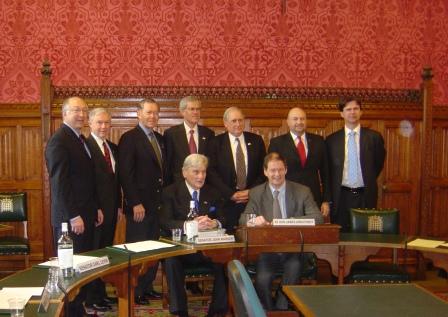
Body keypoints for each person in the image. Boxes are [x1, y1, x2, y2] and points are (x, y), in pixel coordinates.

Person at [240, 152, 323, 311]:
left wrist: (289, 222)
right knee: (263, 280)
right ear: (265, 172)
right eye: (272, 170)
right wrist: (253, 220)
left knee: (293, 271)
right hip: (268, 250)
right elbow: (243, 219)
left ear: (286, 170)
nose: (276, 174)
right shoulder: (257, 192)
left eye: (280, 170)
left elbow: (317, 218)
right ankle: (269, 310)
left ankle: (282, 309)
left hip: (294, 249)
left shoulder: (302, 191)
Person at [45, 96, 103, 315]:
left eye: (84, 111)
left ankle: (79, 309)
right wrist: (73, 216)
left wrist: (96, 206)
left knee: (82, 266)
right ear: (65, 113)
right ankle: (69, 312)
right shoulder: (59, 141)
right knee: (70, 270)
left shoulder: (80, 139)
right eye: (76, 110)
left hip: (85, 214)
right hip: (70, 220)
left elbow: (88, 179)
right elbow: (60, 184)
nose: (81, 115)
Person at [160, 154, 227, 317]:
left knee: (226, 260)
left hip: (208, 250)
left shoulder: (213, 192)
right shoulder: (170, 192)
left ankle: (217, 311)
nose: (201, 176)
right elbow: (165, 222)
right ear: (184, 172)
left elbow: (224, 218)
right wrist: (190, 225)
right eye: (196, 172)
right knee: (171, 261)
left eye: (203, 172)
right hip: (181, 250)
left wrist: (215, 223)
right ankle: (180, 311)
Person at [118, 99, 165, 304]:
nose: (152, 116)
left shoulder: (160, 139)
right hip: (139, 207)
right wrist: (134, 202)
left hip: (158, 206)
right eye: (148, 112)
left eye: (155, 113)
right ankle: (135, 290)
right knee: (138, 249)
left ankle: (147, 287)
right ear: (138, 113)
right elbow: (125, 175)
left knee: (154, 248)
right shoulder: (129, 138)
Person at [326, 98, 386, 231]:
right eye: (348, 109)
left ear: (361, 112)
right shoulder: (331, 140)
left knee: (366, 236)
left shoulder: (374, 138)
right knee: (341, 236)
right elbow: (329, 171)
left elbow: (377, 164)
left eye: (355, 109)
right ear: (341, 113)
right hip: (341, 197)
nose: (352, 112)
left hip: (365, 195)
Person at [85, 108, 122, 311]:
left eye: (106, 123)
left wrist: (117, 205)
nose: (103, 127)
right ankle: (91, 298)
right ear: (90, 123)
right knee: (94, 253)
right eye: (99, 122)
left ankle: (101, 294)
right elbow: (87, 183)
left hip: (111, 210)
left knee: (104, 252)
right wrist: (96, 207)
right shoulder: (86, 147)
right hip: (96, 212)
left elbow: (115, 182)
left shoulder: (112, 148)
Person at [206, 106, 266, 232]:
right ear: (225, 124)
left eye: (240, 120)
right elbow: (211, 173)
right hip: (225, 202)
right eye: (234, 121)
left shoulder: (256, 141)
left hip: (252, 202)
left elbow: (263, 171)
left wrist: (250, 192)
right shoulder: (215, 143)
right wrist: (231, 194)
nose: (238, 124)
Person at [268, 107, 330, 216]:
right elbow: (271, 173)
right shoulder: (277, 143)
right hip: (286, 197)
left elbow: (326, 173)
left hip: (313, 198)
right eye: (295, 119)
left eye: (302, 119)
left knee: (312, 231)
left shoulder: (318, 141)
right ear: (288, 121)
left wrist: (326, 200)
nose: (299, 122)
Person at [164, 96, 215, 184]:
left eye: (198, 109)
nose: (196, 112)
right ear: (182, 112)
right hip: (179, 186)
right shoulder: (171, 134)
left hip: (203, 185)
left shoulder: (208, 134)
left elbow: (211, 163)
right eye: (192, 109)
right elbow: (168, 164)